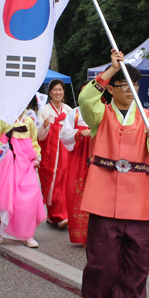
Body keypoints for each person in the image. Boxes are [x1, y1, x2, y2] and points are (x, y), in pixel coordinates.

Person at [79, 50, 149, 298]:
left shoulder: (147, 115)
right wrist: (109, 70)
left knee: (137, 263)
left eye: (135, 86)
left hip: (137, 204)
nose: (131, 91)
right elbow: (85, 99)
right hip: (103, 201)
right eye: (124, 86)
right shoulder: (99, 113)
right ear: (113, 88)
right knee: (101, 261)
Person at [0, 110, 46, 248]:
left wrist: (37, 157)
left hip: (26, 163)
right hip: (9, 162)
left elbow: (34, 143)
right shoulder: (2, 119)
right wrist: (5, 149)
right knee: (3, 196)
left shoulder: (29, 121)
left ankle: (27, 234)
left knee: (29, 197)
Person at [60, 83, 91, 246]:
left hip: (98, 155)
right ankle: (82, 234)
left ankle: (97, 234)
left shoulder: (102, 110)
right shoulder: (74, 113)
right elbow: (64, 134)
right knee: (77, 192)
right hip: (79, 156)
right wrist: (78, 133)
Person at [37, 79, 72, 228]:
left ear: (63, 92)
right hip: (50, 153)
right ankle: (54, 215)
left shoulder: (69, 110)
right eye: (55, 90)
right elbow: (39, 136)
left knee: (64, 182)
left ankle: (61, 215)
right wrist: (45, 126)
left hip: (64, 152)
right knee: (51, 181)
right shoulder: (44, 110)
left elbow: (72, 131)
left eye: (60, 89)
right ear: (50, 93)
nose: (58, 92)